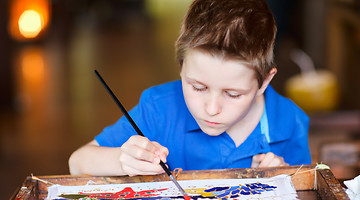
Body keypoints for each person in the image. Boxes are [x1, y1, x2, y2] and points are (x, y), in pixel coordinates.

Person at [69, 0, 311, 176]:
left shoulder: (289, 121)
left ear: (265, 82)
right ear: (181, 68)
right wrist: (123, 161)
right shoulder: (159, 108)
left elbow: (307, 195)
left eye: (233, 94)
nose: (212, 108)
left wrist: (284, 177)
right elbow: (77, 163)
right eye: (198, 87)